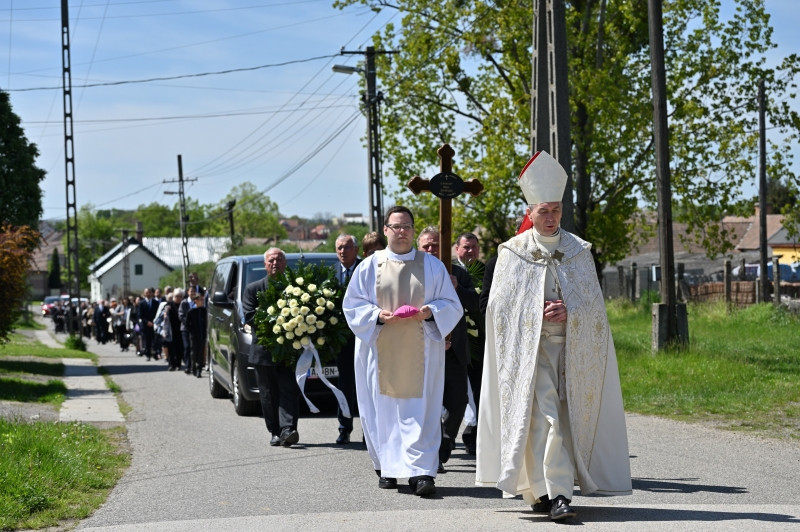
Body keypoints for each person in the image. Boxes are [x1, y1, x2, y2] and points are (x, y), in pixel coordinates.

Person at [475, 151, 631, 521]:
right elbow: (498, 309)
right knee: (544, 422)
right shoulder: (512, 253)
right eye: (543, 211)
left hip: (572, 352)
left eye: (556, 210)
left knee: (562, 421)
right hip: (531, 353)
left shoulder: (579, 251)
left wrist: (571, 312)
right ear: (530, 212)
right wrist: (534, 312)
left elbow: (595, 309)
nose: (550, 217)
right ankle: (554, 493)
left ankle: (545, 491)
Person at [343, 206, 463, 496]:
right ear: (385, 230)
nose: (402, 232)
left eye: (407, 226)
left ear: (413, 230)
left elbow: (451, 304)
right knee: (382, 412)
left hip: (423, 352)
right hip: (379, 351)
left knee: (421, 412)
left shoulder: (432, 266)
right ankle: (387, 467)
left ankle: (421, 473)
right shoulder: (369, 266)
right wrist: (376, 316)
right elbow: (353, 305)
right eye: (396, 227)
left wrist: (430, 311)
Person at [416, 227, 479, 472]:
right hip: (423, 349)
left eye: (436, 245)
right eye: (427, 246)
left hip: (454, 350)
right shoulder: (412, 273)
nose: (432, 250)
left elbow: (476, 305)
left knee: (458, 401)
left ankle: (443, 443)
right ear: (419, 248)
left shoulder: (458, 273)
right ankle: (432, 455)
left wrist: (458, 288)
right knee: (427, 404)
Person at [243, 247, 302, 448]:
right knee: (268, 394)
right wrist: (280, 320)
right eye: (271, 260)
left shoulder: (295, 288)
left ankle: (288, 429)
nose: (275, 263)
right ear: (265, 265)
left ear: (285, 263)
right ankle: (275, 431)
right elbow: (250, 316)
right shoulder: (253, 289)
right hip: (263, 351)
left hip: (289, 350)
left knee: (289, 390)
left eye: (279, 260)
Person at [453, 232, 486, 455]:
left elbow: (479, 302)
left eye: (474, 247)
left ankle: (474, 435)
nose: (470, 251)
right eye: (466, 247)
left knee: (478, 390)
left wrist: (460, 290)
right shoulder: (448, 269)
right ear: (457, 249)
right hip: (452, 340)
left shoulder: (484, 271)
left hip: (477, 341)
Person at [333, 234, 361, 445]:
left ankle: (369, 432)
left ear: (356, 249)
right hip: (341, 342)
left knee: (366, 386)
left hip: (365, 337)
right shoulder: (330, 273)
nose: (343, 251)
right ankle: (344, 428)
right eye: (339, 248)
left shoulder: (366, 269)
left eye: (347, 247)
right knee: (344, 385)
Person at [186, 289, 208, 378]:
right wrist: (193, 332)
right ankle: (193, 368)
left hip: (202, 335)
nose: (202, 301)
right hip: (194, 336)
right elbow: (187, 324)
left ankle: (199, 370)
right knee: (194, 352)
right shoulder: (191, 311)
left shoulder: (204, 311)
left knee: (200, 353)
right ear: (195, 300)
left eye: (203, 300)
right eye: (200, 300)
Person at [138, 288, 158, 360]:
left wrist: (154, 322)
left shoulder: (155, 302)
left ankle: (155, 353)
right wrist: (147, 322)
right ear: (144, 294)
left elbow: (157, 313)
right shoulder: (141, 303)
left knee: (154, 339)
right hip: (145, 324)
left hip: (154, 323)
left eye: (149, 292)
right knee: (147, 340)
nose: (148, 294)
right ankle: (148, 354)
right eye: (147, 293)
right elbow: (140, 315)